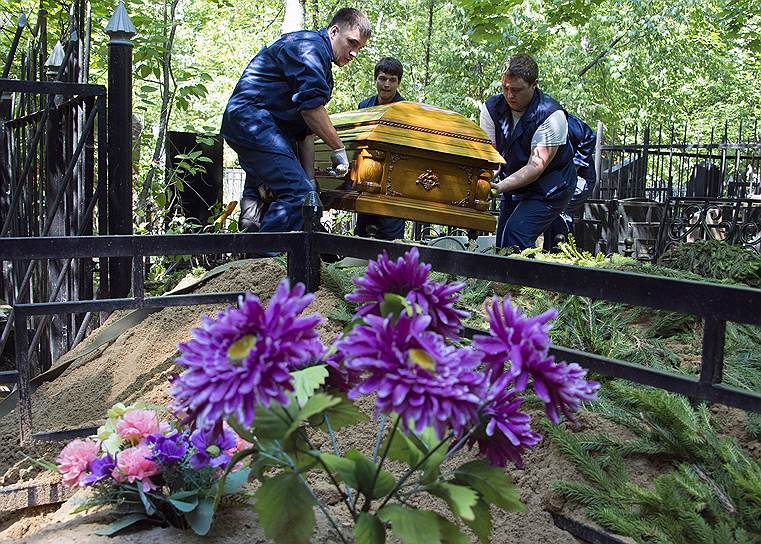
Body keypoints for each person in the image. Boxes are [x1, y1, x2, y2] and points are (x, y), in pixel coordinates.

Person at [220, 8, 371, 234]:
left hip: (259, 127)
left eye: (359, 48)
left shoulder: (319, 60)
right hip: (253, 122)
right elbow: (311, 110)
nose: (353, 53)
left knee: (285, 197)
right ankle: (267, 262)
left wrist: (310, 182)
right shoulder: (311, 48)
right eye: (351, 43)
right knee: (297, 196)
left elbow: (305, 132)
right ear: (333, 31)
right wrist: (338, 148)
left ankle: (251, 261)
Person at [480, 53, 576, 250]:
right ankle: (504, 280)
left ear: (534, 85)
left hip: (550, 187)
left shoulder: (551, 115)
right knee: (503, 244)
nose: (510, 95)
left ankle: (522, 281)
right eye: (505, 88)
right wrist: (485, 180)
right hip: (514, 186)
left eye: (517, 90)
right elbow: (492, 157)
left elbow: (535, 167)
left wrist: (498, 187)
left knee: (516, 234)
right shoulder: (491, 109)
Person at [355, 57, 407, 240]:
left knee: (390, 241)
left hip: (393, 184)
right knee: (361, 238)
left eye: (392, 80)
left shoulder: (406, 110)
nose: (386, 84)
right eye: (382, 78)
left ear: (398, 82)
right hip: (367, 181)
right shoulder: (364, 106)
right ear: (375, 79)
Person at [542, 114, 597, 250]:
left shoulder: (564, 122)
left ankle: (558, 254)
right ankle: (551, 253)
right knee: (551, 212)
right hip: (561, 178)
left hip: (580, 178)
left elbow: (590, 136)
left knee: (559, 210)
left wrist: (575, 166)